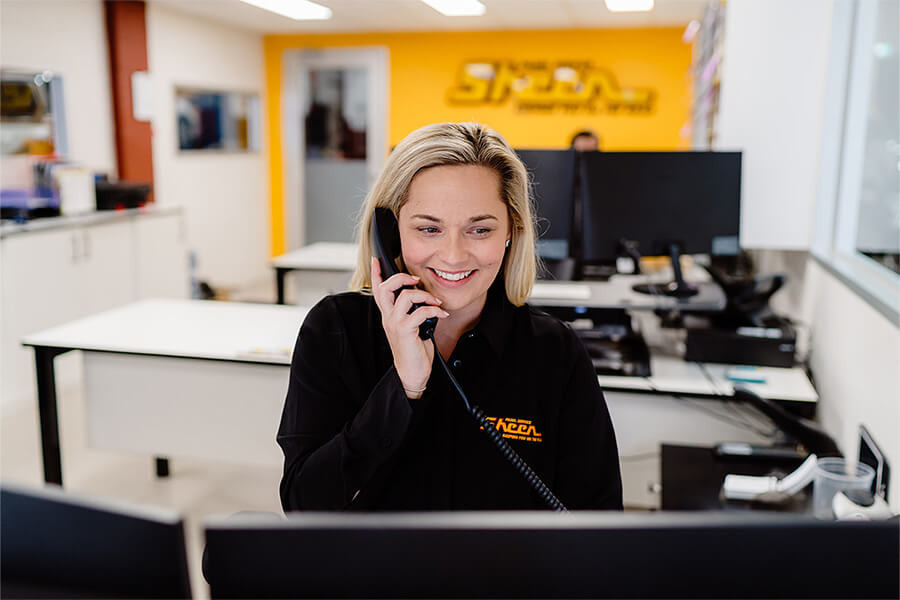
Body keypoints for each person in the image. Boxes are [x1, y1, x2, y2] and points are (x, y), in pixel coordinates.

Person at [277, 122, 622, 511]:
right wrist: (404, 386)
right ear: (390, 234)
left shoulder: (555, 351)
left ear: (511, 231)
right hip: (370, 572)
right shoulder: (335, 329)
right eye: (429, 228)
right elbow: (303, 505)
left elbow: (598, 515)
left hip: (510, 573)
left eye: (479, 229)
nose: (454, 256)